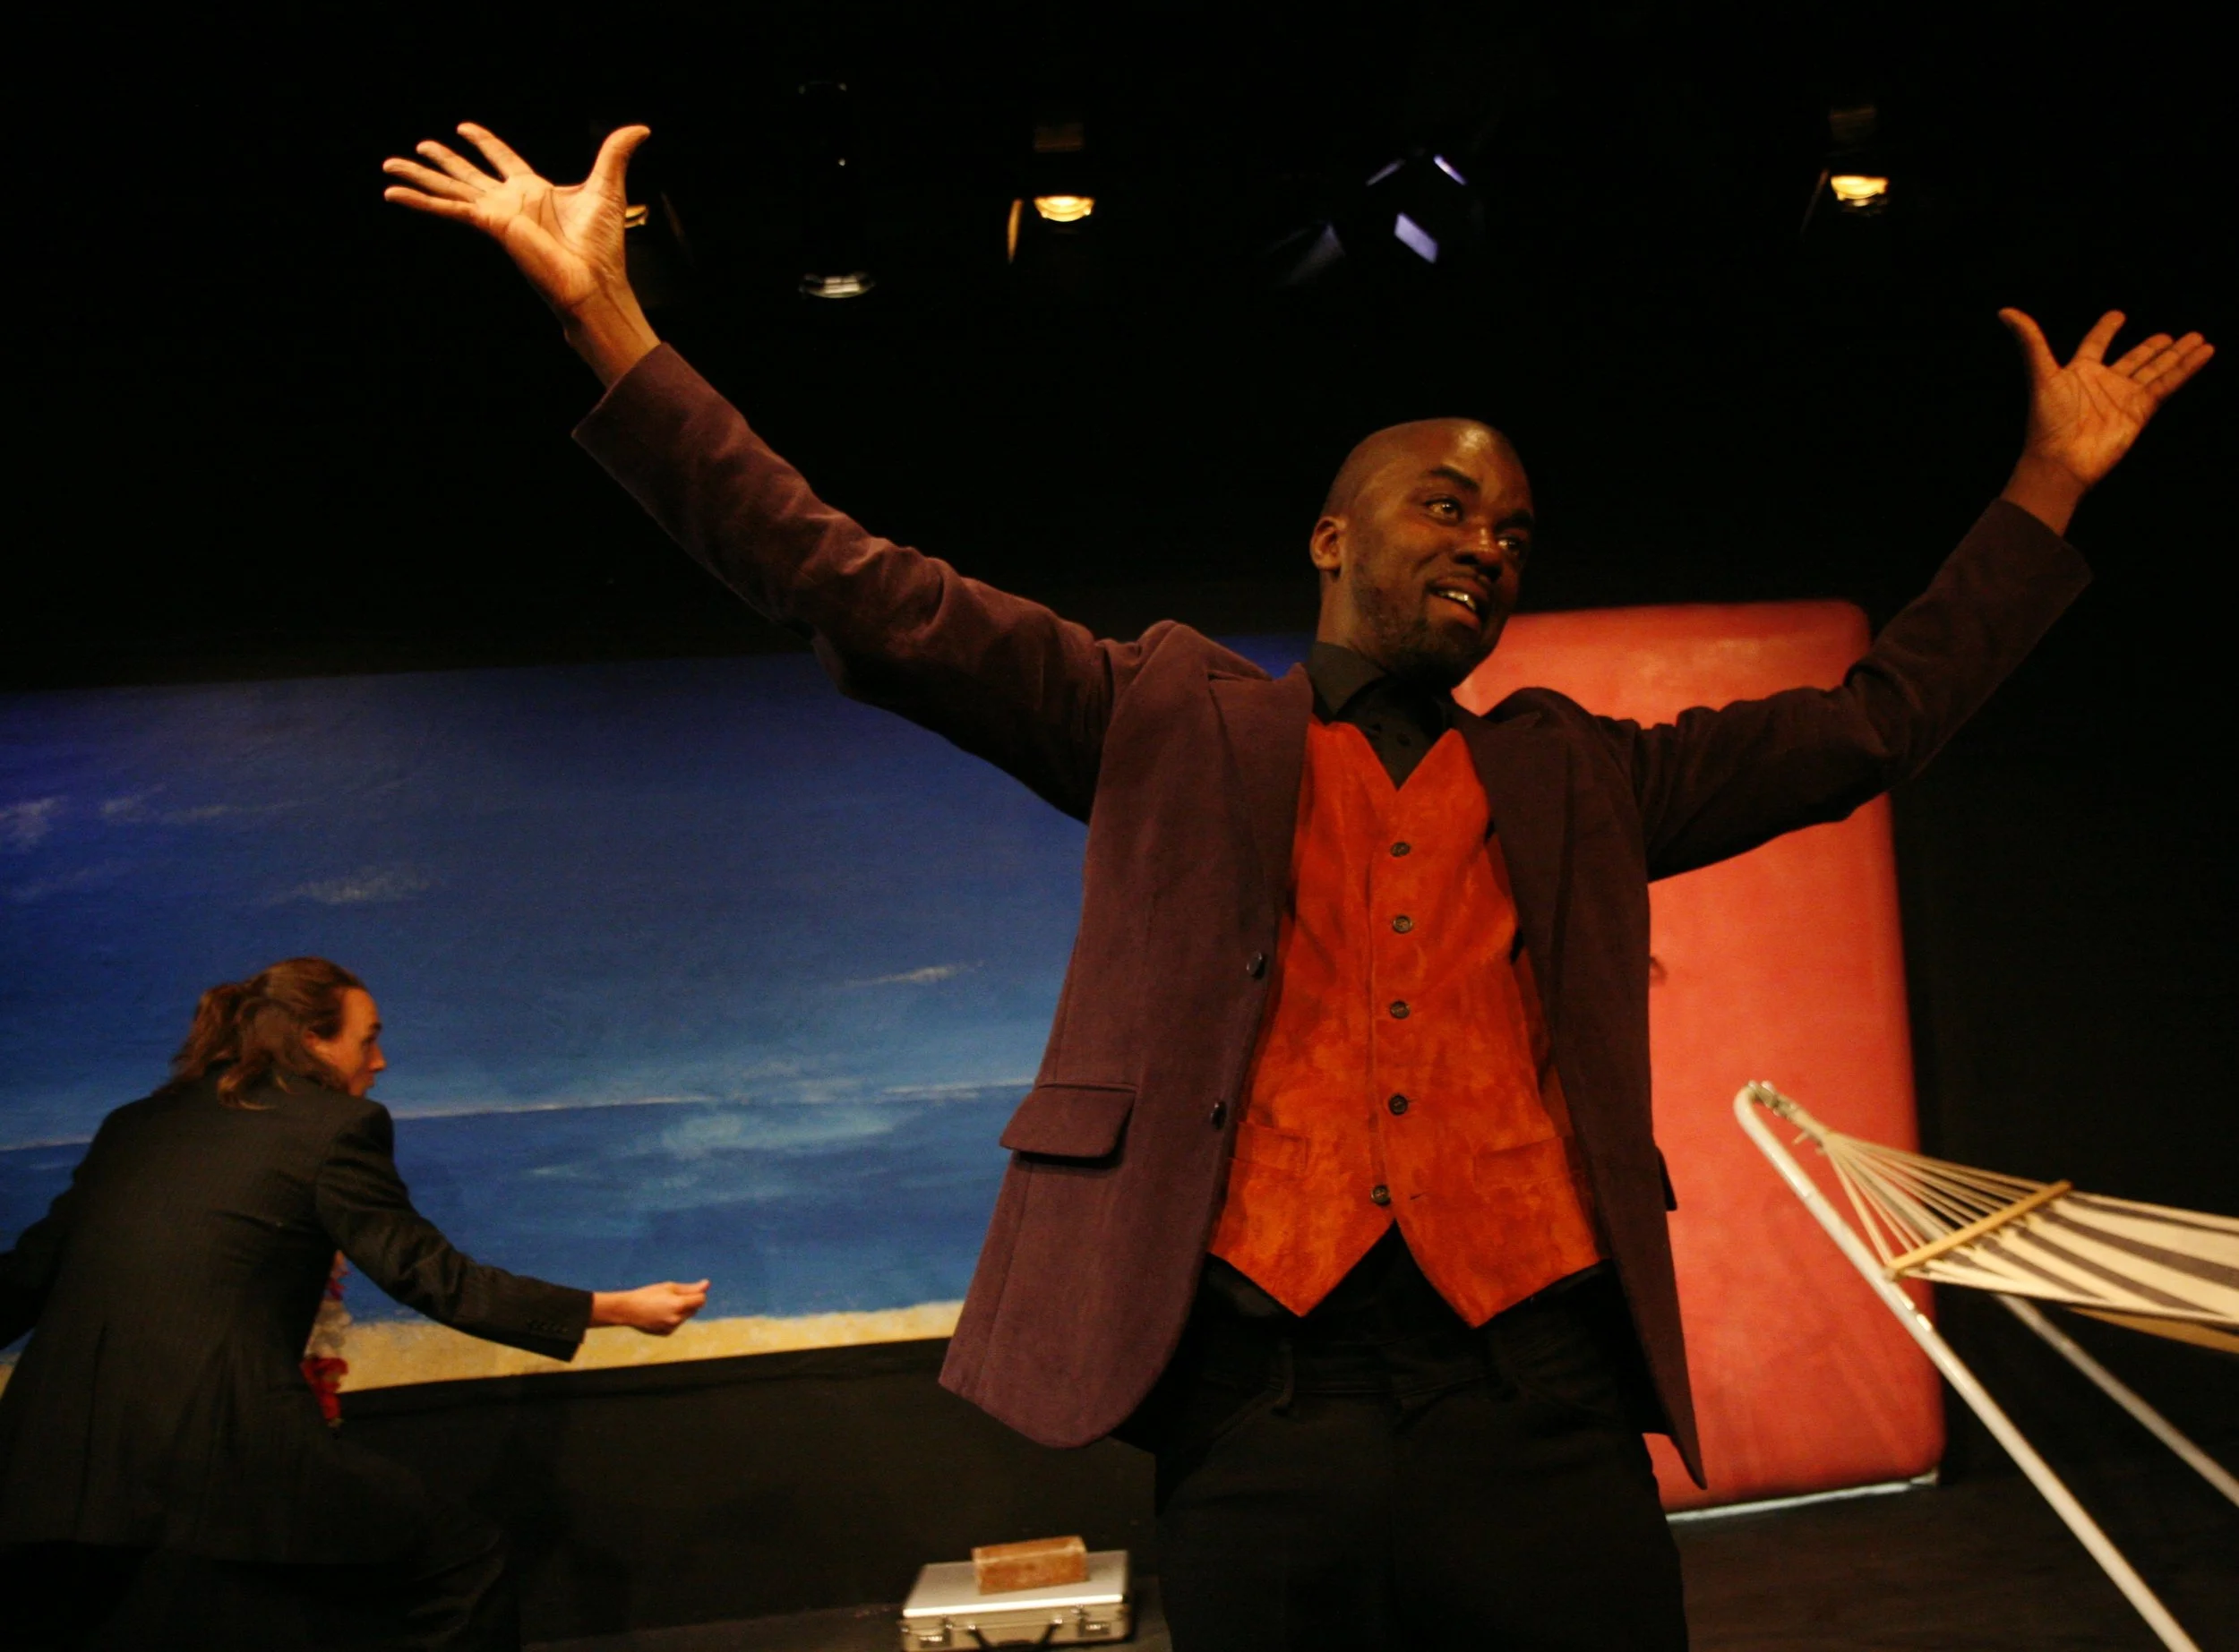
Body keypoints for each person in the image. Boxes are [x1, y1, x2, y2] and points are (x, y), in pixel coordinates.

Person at [381, 124, 2210, 1649]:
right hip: (1266, 1409)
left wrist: (2042, 489)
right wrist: (615, 329)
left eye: (1508, 529)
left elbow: (1870, 726)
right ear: (1329, 536)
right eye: (1442, 505)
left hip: (1541, 1411)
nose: (1483, 544)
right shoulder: (1163, 717)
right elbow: (842, 578)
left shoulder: (1578, 770)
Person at [0, 956, 711, 1650]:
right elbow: (433, 1277)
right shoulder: (331, 1127)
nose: (380, 1061)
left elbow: (30, 1275)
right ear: (313, 1038)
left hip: (62, 1446)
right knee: (465, 1565)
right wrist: (615, 1307)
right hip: (225, 1444)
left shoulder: (133, 1123)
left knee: (48, 1617)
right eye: (367, 1037)